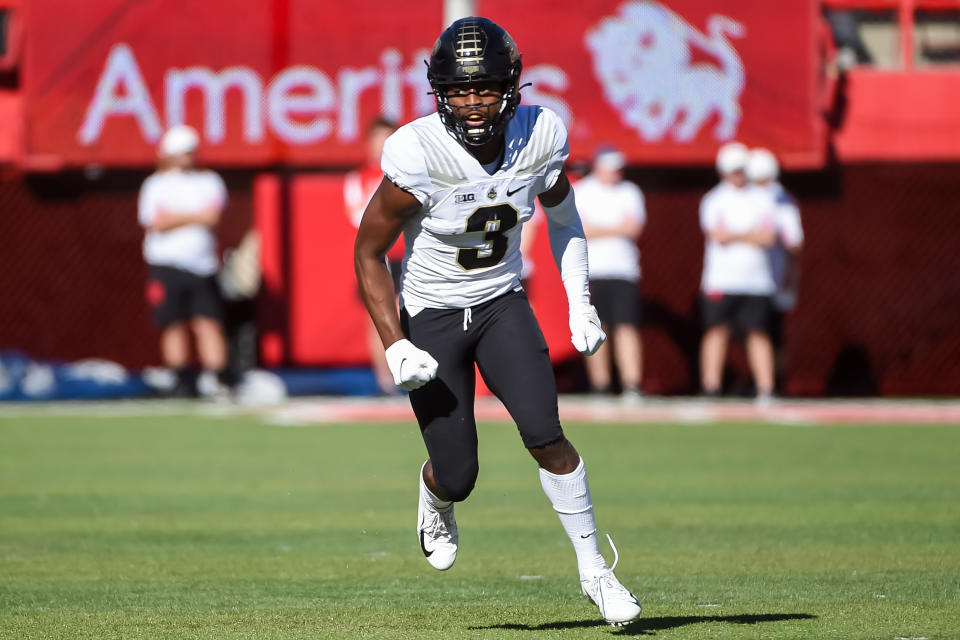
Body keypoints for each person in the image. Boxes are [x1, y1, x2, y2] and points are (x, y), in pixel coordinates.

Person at [354, 17, 642, 626]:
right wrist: (395, 344)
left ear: (512, 86)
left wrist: (579, 301)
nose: (473, 102)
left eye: (485, 88)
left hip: (501, 302)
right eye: (460, 90)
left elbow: (565, 218)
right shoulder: (418, 151)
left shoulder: (540, 134)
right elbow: (367, 250)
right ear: (440, 91)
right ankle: (435, 496)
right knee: (460, 475)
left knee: (546, 434)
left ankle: (597, 572)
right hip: (432, 313)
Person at [138, 125, 230, 398]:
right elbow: (156, 223)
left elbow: (211, 217)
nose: (187, 157)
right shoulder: (155, 185)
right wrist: (194, 216)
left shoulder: (210, 181)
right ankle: (181, 379)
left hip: (203, 266)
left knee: (209, 321)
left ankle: (218, 378)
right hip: (166, 265)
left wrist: (175, 217)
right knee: (172, 322)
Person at [699, 142, 777, 401]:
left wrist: (735, 235)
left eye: (742, 170)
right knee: (717, 331)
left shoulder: (762, 198)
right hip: (722, 279)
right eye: (734, 170)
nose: (739, 175)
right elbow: (718, 235)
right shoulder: (714, 199)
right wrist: (750, 235)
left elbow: (768, 237)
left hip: (757, 281)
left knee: (758, 332)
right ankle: (711, 387)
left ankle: (766, 388)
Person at [574, 146, 646, 400]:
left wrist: (600, 228)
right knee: (595, 327)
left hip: (624, 270)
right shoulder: (583, 191)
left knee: (627, 326)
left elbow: (634, 227)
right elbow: (582, 230)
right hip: (592, 271)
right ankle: (600, 385)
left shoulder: (630, 191)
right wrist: (617, 228)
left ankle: (631, 384)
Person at [345, 118, 402, 394]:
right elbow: (358, 216)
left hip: (409, 258)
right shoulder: (359, 179)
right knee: (379, 317)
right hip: (379, 257)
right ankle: (386, 382)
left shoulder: (407, 174)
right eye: (378, 139)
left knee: (411, 316)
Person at [746, 148, 804, 386]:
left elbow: (794, 244)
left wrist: (790, 276)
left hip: (773, 278)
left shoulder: (780, 201)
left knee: (772, 333)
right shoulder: (751, 199)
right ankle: (761, 380)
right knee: (757, 332)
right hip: (753, 278)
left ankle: (776, 383)